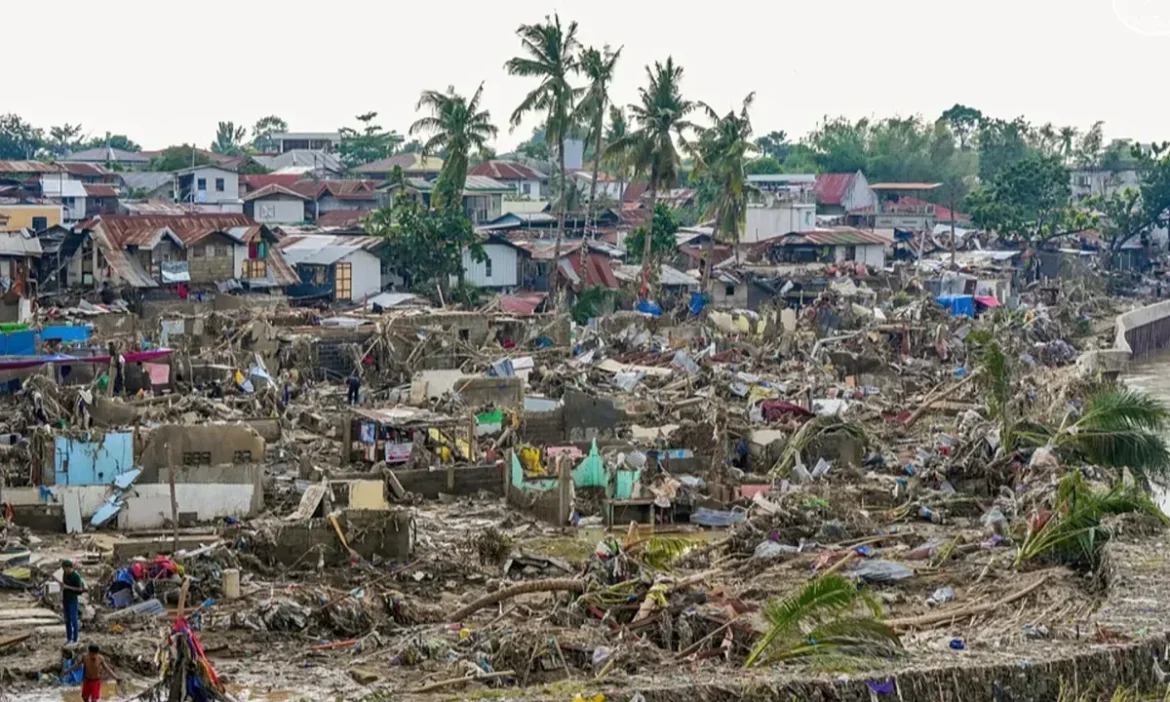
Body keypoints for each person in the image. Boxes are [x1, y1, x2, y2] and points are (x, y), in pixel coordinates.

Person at [59, 559, 84, 644]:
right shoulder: (64, 574)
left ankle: (75, 638)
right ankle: (69, 638)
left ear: (69, 567)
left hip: (72, 599)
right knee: (67, 620)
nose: (64, 570)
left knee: (74, 619)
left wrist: (67, 587)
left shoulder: (76, 576)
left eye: (65, 568)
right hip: (65, 599)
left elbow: (80, 589)